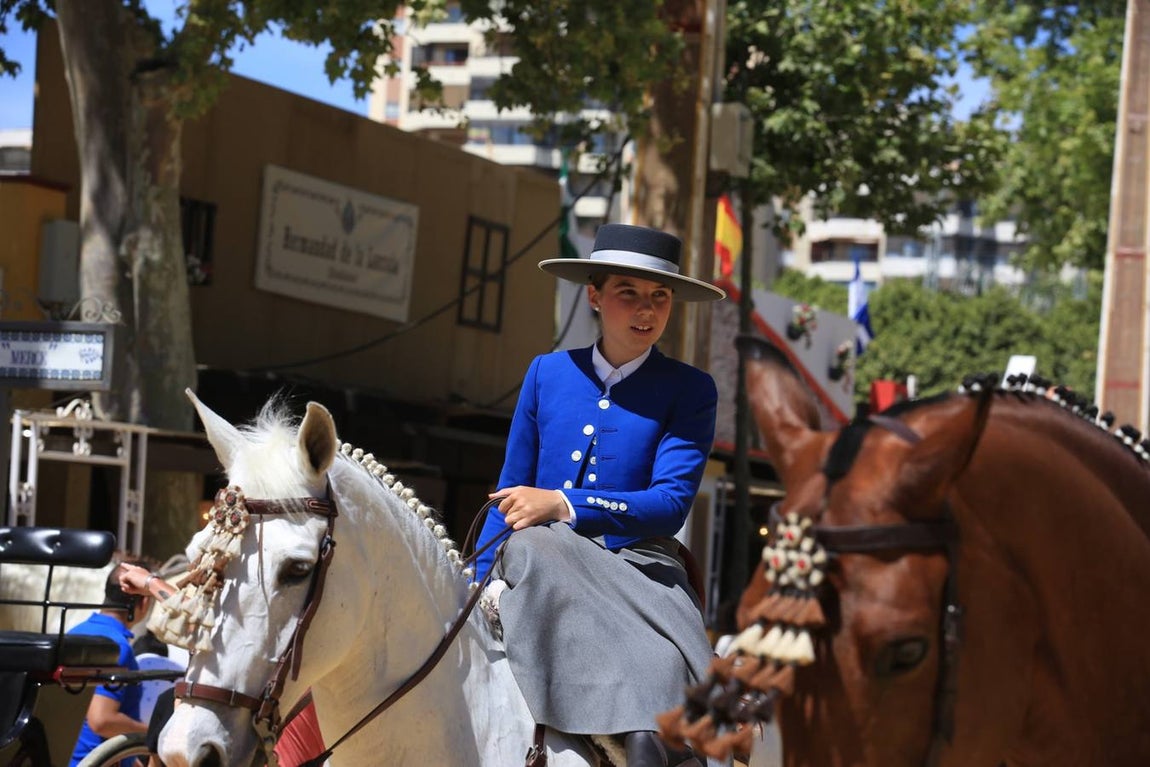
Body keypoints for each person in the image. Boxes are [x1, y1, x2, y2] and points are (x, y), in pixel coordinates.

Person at [473, 223, 725, 767]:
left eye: (660, 296)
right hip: (540, 559)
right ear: (594, 296)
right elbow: (510, 492)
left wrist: (564, 505)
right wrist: (472, 584)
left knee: (658, 716)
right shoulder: (545, 374)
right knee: (531, 549)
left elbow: (671, 503)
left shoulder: (691, 389)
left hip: (643, 569)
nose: (646, 309)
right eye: (628, 293)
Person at [67, 561, 153, 767]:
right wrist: (151, 732)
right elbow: (101, 721)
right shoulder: (117, 648)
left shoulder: (73, 633)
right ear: (144, 603)